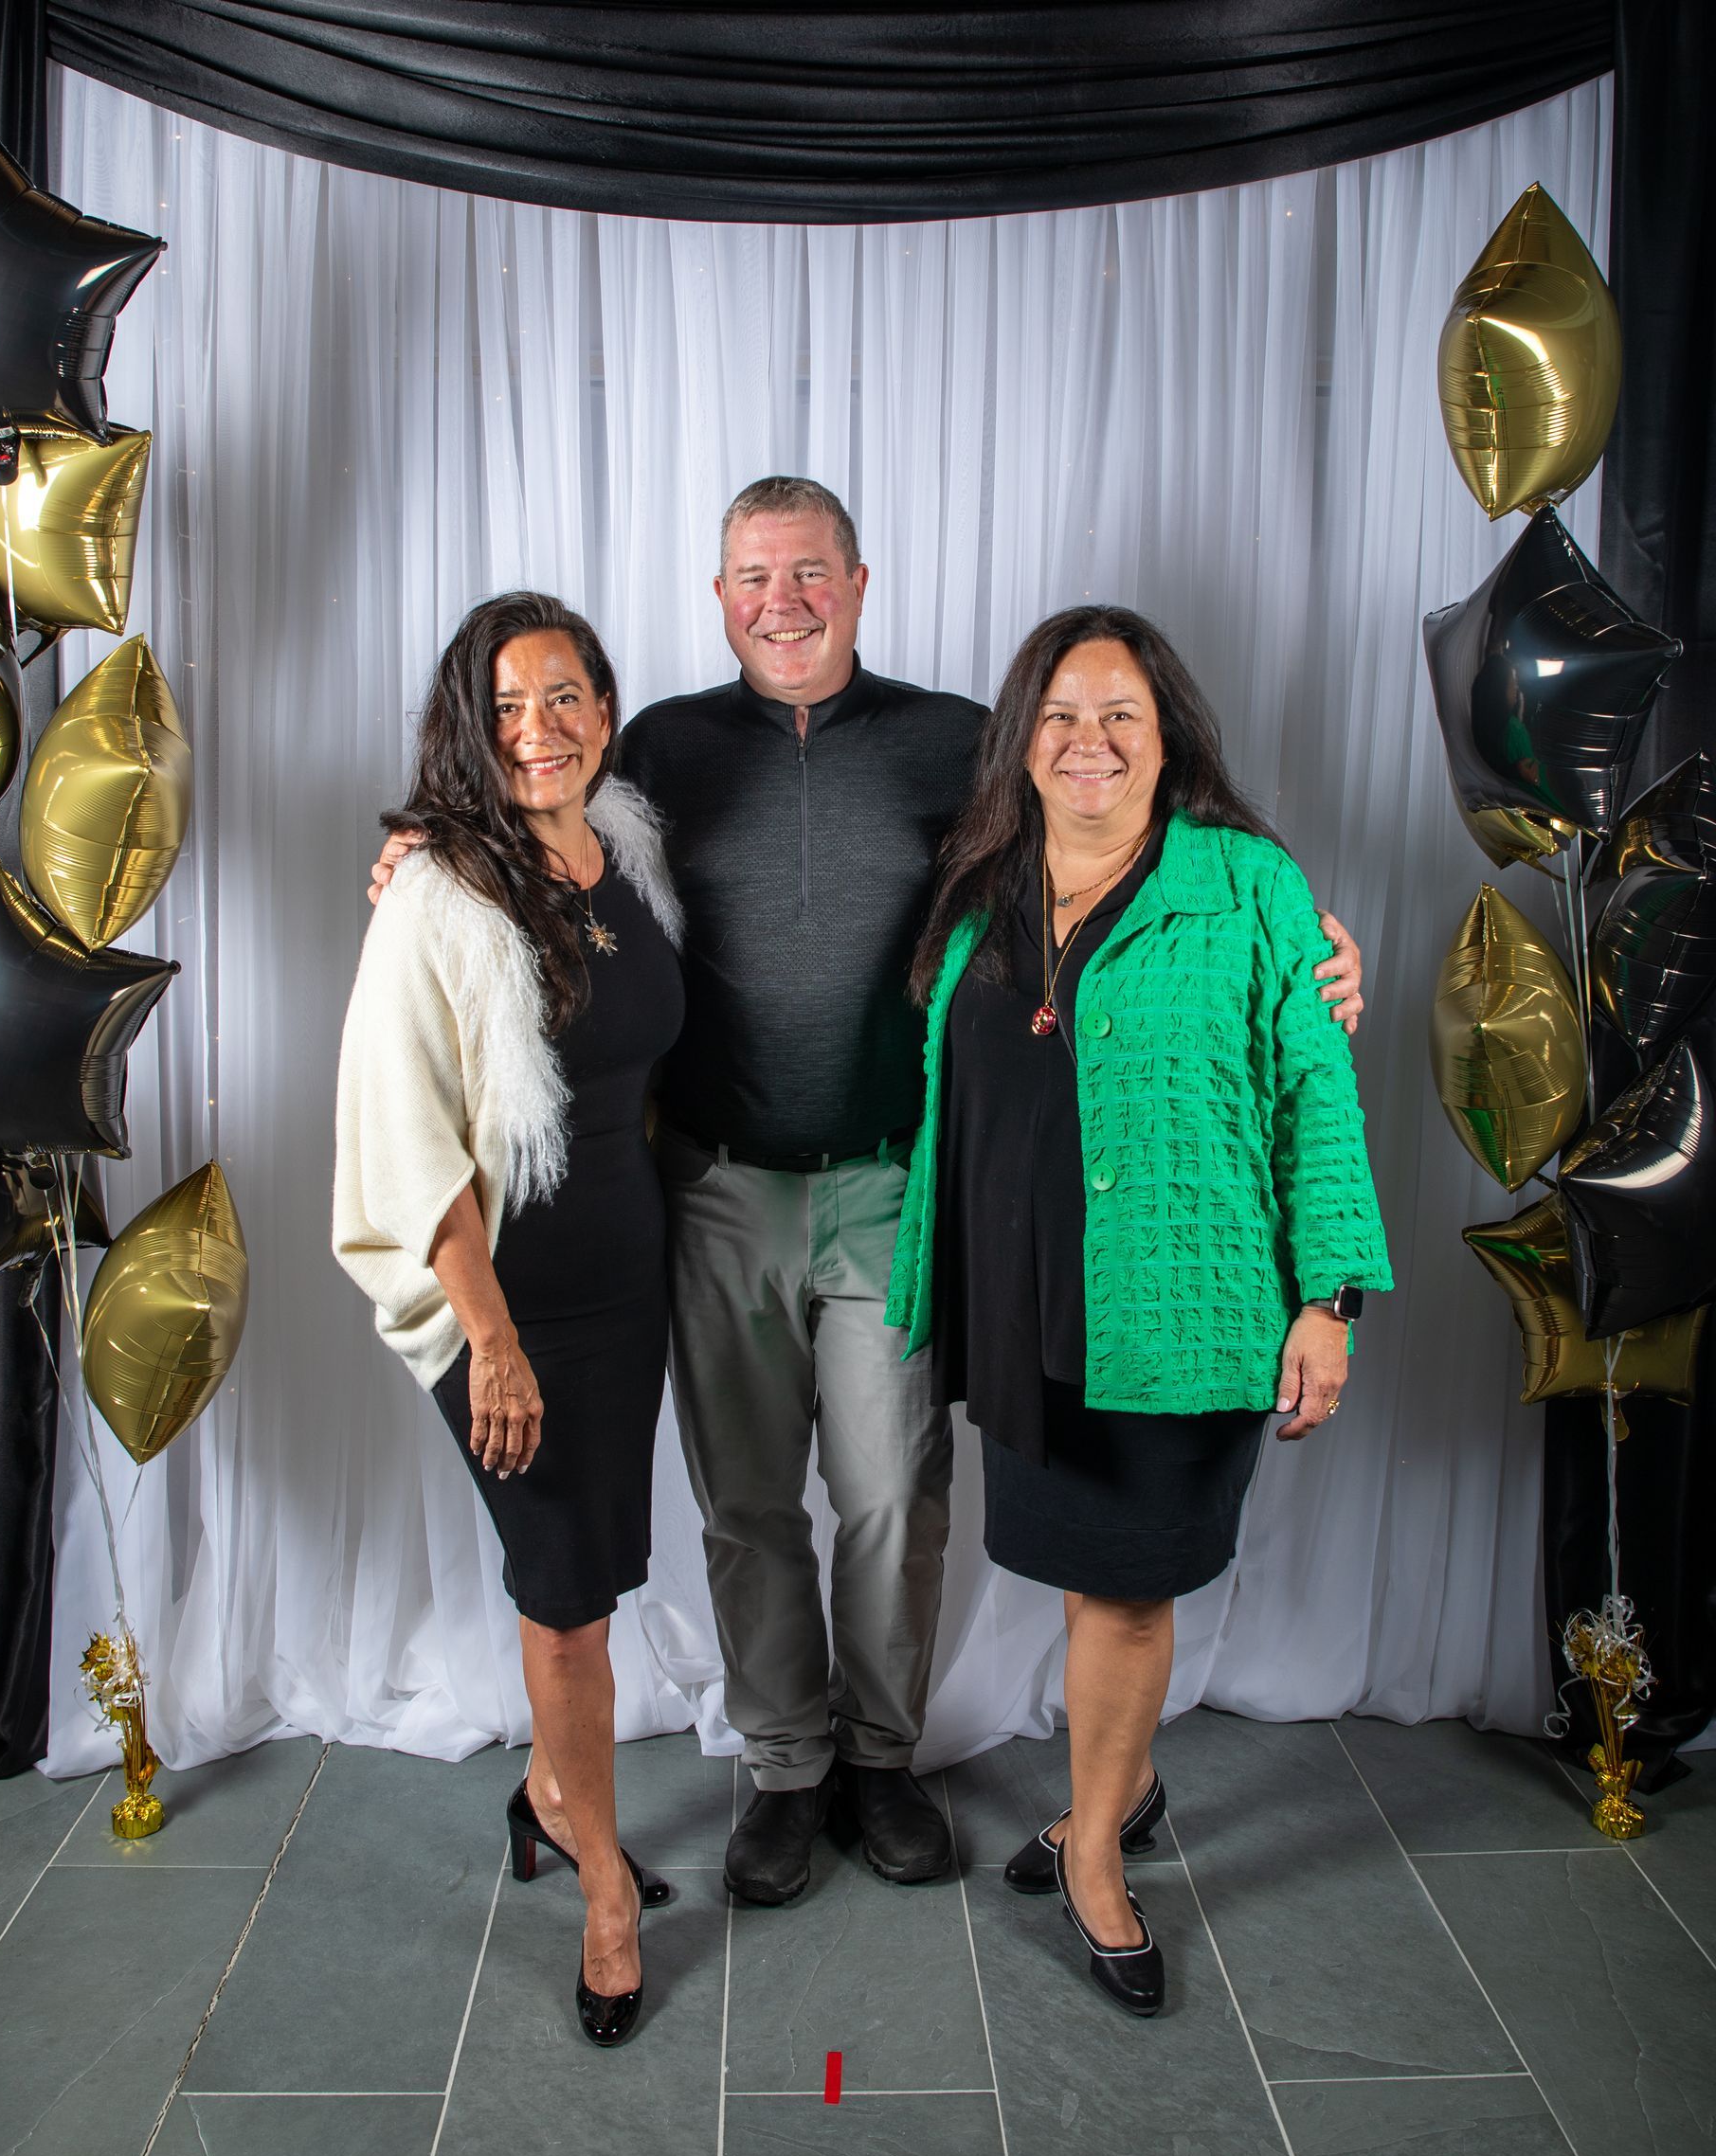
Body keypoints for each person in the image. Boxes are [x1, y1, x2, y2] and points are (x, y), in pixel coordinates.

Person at [373, 478, 1368, 1910]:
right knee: (747, 1502)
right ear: (719, 598)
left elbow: (1106, 861)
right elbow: (536, 849)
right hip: (709, 1183)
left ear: (858, 580)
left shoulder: (955, 741)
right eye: (752, 576)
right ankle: (785, 1766)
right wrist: (413, 854)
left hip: (893, 1187)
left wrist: (1315, 939)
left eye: (810, 571)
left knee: (894, 1494)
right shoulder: (654, 746)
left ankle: (882, 1757)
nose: (783, 599)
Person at [887, 605, 1392, 2017]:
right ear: (1021, 743)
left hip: (1184, 1307)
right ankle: (1133, 1777)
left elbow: (1314, 1096)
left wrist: (1328, 1298)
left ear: (1169, 739)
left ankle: (1096, 1847)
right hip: (1025, 1313)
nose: (1088, 740)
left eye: (1120, 714)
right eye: (1059, 716)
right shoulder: (983, 884)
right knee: (1080, 1572)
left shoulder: (1246, 884)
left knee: (1123, 1587)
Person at [334, 592, 684, 2048]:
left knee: (592, 1577)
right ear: (466, 732)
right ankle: (603, 1883)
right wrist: (489, 1338)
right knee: (563, 1604)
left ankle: (553, 1796)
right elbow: (403, 1135)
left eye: (566, 698)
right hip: (510, 1302)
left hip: (627, 1277)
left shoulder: (630, 852)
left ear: (604, 707)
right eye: (506, 707)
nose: (539, 730)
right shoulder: (435, 897)